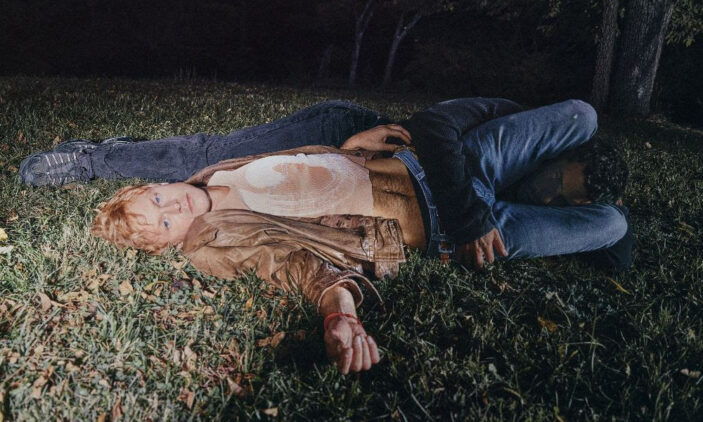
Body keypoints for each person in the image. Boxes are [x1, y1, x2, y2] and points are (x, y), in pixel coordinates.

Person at [23, 98, 632, 373]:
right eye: (163, 222)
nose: (172, 205)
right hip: (449, 231)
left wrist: (350, 145)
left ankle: (560, 181)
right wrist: (339, 312)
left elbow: (302, 164)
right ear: (168, 244)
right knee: (612, 225)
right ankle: (571, 205)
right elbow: (290, 263)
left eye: (157, 198)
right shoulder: (214, 240)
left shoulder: (217, 170)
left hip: (432, 163)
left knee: (582, 114)